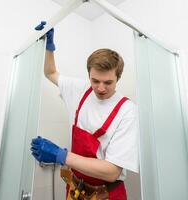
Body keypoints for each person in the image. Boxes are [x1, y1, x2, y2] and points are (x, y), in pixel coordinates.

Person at [31, 22, 139, 200]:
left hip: (106, 193)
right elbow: (50, 73)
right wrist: (48, 47)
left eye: (108, 82)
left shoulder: (127, 111)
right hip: (75, 189)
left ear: (118, 77)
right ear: (89, 74)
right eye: (95, 80)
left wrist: (61, 155)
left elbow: (112, 172)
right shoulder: (80, 89)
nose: (101, 88)